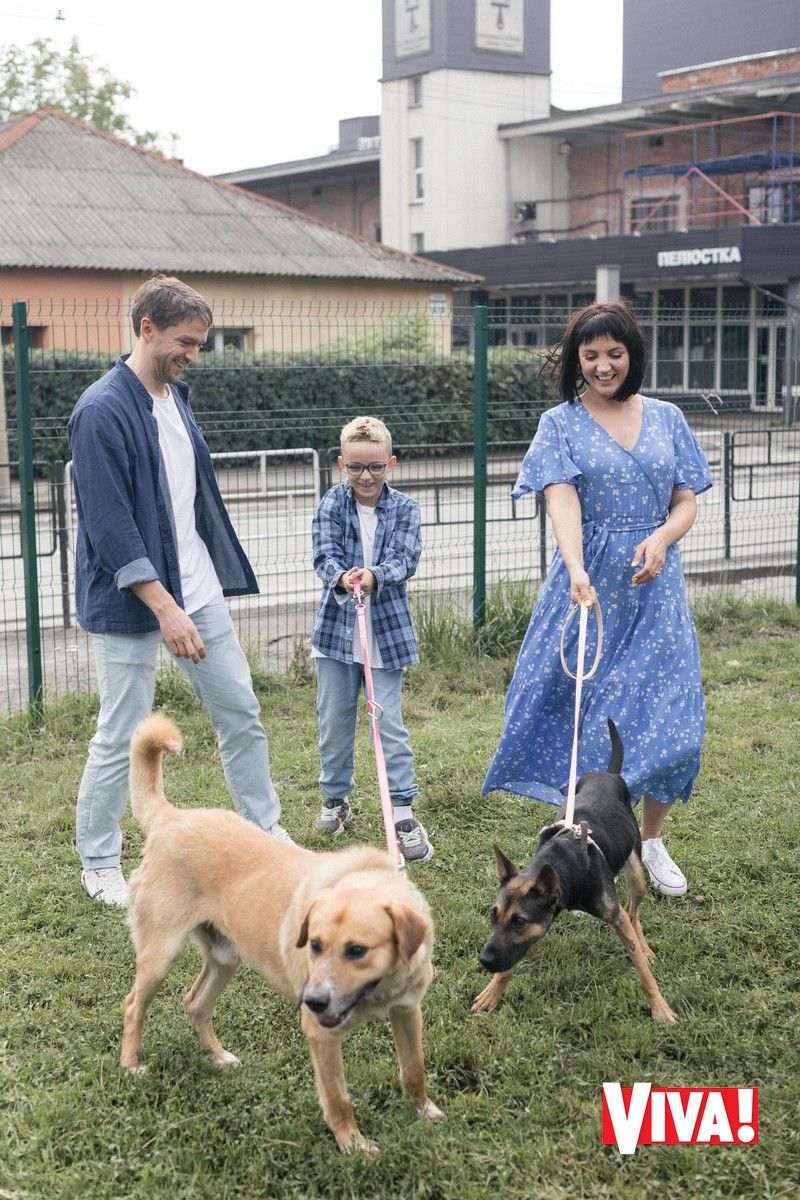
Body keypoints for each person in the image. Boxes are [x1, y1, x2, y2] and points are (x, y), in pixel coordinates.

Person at [69, 274, 292, 908]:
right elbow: (110, 526)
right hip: (130, 603)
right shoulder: (100, 410)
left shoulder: (176, 396)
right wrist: (164, 607)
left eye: (199, 342)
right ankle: (100, 860)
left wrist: (190, 595)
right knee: (122, 730)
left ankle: (264, 828)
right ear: (146, 328)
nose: (194, 353)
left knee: (240, 711)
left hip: (196, 589)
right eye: (185, 342)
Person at [482, 301, 712, 897]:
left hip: (655, 586)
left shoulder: (667, 417)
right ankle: (581, 839)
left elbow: (686, 501)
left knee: (675, 722)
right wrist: (577, 568)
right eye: (591, 356)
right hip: (588, 589)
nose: (603, 365)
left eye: (614, 353)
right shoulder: (559, 423)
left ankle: (650, 839)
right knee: (586, 720)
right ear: (576, 361)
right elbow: (561, 500)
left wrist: (661, 538)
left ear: (632, 355)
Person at [309, 416, 433, 864]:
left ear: (391, 464)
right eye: (357, 467)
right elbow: (323, 555)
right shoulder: (330, 504)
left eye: (376, 467)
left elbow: (405, 558)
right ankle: (336, 798)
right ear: (342, 463)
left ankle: (401, 808)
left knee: (389, 724)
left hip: (386, 633)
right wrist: (342, 577)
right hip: (336, 635)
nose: (366, 476)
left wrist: (376, 575)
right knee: (335, 720)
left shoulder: (405, 509)